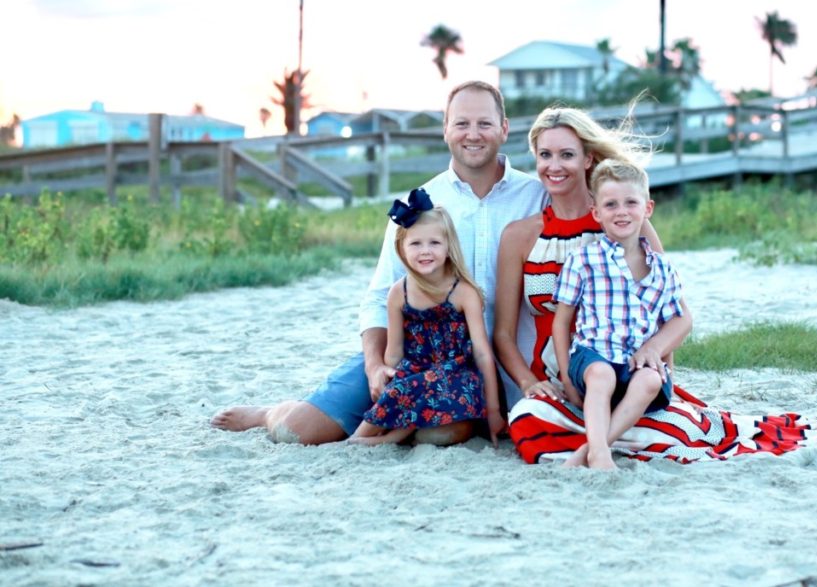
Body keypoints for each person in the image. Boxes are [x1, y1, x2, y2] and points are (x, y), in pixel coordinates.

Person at [495, 105, 817, 466]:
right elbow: (504, 334)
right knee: (529, 422)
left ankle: (598, 445)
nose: (554, 166)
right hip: (566, 382)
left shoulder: (626, 222)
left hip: (631, 371)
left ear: (588, 158)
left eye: (566, 154)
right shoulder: (520, 236)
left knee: (678, 427)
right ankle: (609, 440)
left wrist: (661, 364)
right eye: (545, 155)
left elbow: (671, 311)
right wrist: (534, 384)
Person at [211, 81, 546, 445]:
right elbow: (379, 296)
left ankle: (409, 427)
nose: (473, 134)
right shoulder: (420, 204)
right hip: (418, 357)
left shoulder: (537, 197)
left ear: (505, 129)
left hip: (503, 366)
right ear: (445, 129)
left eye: (484, 123)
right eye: (461, 123)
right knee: (298, 432)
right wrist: (375, 366)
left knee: (444, 434)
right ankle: (270, 412)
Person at [551, 159, 691, 469]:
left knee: (651, 380)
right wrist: (567, 379)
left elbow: (677, 320)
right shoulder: (584, 260)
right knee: (601, 375)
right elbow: (561, 323)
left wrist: (660, 358)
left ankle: (590, 448)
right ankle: (600, 455)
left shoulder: (662, 269)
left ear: (648, 208)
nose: (622, 211)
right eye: (611, 204)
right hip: (593, 358)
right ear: (597, 212)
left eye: (631, 202)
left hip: (635, 364)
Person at [346, 193, 504, 446]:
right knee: (402, 388)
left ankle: (389, 439)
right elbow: (394, 353)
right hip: (416, 370)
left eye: (434, 243)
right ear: (401, 248)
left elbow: (482, 353)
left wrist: (494, 410)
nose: (425, 251)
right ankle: (357, 439)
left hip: (457, 373)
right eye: (416, 244)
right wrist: (390, 384)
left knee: (432, 385)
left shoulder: (464, 292)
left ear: (448, 246)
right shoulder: (399, 292)